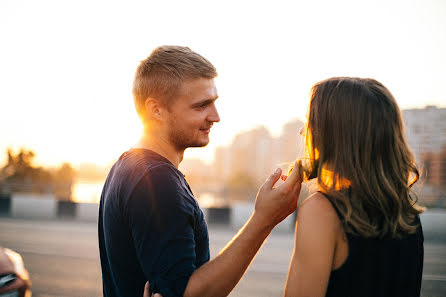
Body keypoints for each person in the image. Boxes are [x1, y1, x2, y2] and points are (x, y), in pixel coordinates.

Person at [98, 45, 302, 297]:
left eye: (214, 103)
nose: (215, 117)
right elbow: (189, 293)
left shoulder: (125, 166)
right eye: (201, 106)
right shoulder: (157, 181)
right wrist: (263, 220)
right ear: (156, 110)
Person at [283, 77, 425, 297]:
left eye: (309, 121)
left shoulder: (322, 211)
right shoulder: (407, 214)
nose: (303, 131)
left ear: (333, 135)